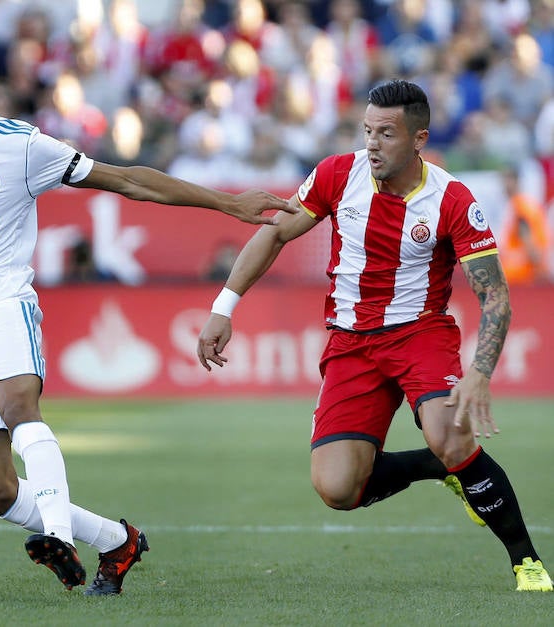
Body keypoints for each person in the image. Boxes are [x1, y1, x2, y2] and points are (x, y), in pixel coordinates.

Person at [0, 35, 293, 595]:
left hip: (2, 306)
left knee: (17, 404)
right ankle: (117, 541)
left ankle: (58, 537)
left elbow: (128, 179)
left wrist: (227, 203)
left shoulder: (20, 146)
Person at [197, 79, 553, 592]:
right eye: (367, 130)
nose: (372, 143)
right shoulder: (338, 174)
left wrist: (479, 374)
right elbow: (275, 231)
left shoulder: (451, 199)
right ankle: (439, 467)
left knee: (451, 433)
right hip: (351, 342)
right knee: (338, 488)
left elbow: (495, 296)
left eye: (386, 133)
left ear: (419, 139)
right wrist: (223, 307)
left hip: (420, 335)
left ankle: (527, 562)